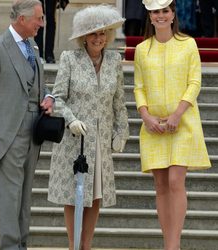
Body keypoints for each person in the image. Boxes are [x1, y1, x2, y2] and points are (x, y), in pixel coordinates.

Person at [47, 5, 129, 250]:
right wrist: (71, 119)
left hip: (101, 141)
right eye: (93, 34)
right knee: (73, 196)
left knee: (95, 196)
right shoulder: (69, 59)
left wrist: (121, 131)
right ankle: (73, 245)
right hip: (75, 141)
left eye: (103, 33)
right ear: (83, 36)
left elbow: (119, 102)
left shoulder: (114, 61)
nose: (99, 38)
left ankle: (87, 246)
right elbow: (57, 98)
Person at [0, 0, 54, 249]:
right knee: (9, 195)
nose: (42, 24)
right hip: (6, 133)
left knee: (25, 195)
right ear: (22, 19)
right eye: (38, 19)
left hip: (33, 132)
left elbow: (38, 85)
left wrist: (48, 97)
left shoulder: (33, 47)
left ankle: (21, 244)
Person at [134, 1, 211, 249]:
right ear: (150, 15)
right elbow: (139, 88)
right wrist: (146, 116)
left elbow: (194, 82)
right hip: (153, 126)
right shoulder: (142, 49)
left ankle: (173, 245)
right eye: (156, 11)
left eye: (165, 11)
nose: (161, 15)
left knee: (176, 181)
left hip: (183, 123)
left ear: (173, 14)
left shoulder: (188, 44)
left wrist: (177, 114)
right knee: (160, 185)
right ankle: (168, 242)